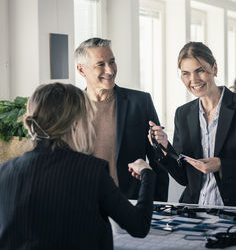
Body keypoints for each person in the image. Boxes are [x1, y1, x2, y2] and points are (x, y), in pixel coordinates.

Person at [0, 83, 155, 249]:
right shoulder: (92, 171)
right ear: (76, 123)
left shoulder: (4, 171)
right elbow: (138, 226)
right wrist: (147, 173)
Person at [149, 42, 236, 208]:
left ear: (214, 68)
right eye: (186, 73)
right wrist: (165, 147)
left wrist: (222, 165)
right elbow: (184, 178)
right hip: (195, 211)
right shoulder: (183, 113)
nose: (193, 80)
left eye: (200, 70)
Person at [75, 37, 168, 201]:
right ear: (82, 70)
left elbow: (158, 160)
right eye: (101, 64)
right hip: (83, 204)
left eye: (112, 62)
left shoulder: (140, 102)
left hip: (130, 204)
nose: (110, 70)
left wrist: (158, 207)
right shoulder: (70, 109)